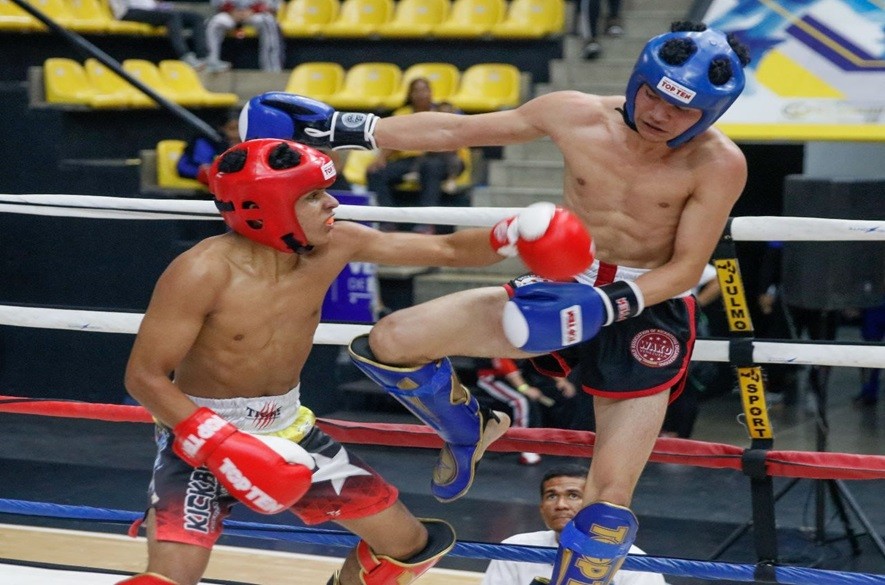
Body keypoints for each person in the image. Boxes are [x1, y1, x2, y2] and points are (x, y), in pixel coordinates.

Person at [240, 20, 751, 585]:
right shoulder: (575, 113)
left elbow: (686, 268)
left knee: (606, 512)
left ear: (709, 113)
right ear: (638, 80)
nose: (658, 114)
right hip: (564, 285)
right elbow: (456, 129)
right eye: (653, 95)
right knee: (391, 341)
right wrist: (349, 128)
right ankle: (469, 426)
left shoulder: (718, 163)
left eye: (680, 109)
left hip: (645, 307)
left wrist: (608, 306)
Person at [118, 137, 550, 585]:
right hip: (199, 436)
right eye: (312, 196)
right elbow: (144, 376)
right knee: (170, 577)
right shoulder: (201, 271)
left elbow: (448, 251)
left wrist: (514, 236)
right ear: (267, 207)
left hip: (289, 427)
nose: (333, 203)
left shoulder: (336, 243)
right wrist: (221, 443)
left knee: (408, 546)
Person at [482, 464, 668, 585]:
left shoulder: (636, 561)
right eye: (551, 496)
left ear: (592, 506)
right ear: (541, 507)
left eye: (573, 495)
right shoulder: (516, 548)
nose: (561, 505)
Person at [366, 77, 466, 235]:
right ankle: (387, 221)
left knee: (430, 167)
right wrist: (380, 158)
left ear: (431, 93)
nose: (421, 94)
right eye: (416, 91)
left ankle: (426, 223)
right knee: (376, 172)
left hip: (444, 159)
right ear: (410, 94)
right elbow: (391, 139)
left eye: (424, 90)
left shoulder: (442, 111)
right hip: (411, 160)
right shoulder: (402, 114)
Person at [472, 357, 575, 465]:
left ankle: (551, 440)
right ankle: (519, 441)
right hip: (492, 377)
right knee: (520, 401)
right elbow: (505, 363)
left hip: (521, 376)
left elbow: (542, 358)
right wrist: (525, 388)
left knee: (557, 394)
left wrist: (561, 381)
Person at [108, 0, 225, 72]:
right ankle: (185, 56)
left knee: (196, 18)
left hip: (151, 9)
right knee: (172, 17)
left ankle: (203, 57)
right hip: (128, 12)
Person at [205, 0, 284, 72]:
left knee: (268, 21)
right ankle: (212, 61)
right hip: (230, 15)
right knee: (215, 23)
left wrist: (254, 10)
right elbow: (216, 3)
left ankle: (271, 68)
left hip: (255, 14)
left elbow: (274, 5)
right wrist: (231, 10)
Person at [177, 111, 242, 185]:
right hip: (193, 174)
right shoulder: (205, 141)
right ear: (221, 128)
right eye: (232, 129)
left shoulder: (245, 142)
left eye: (241, 129)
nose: (236, 134)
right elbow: (201, 168)